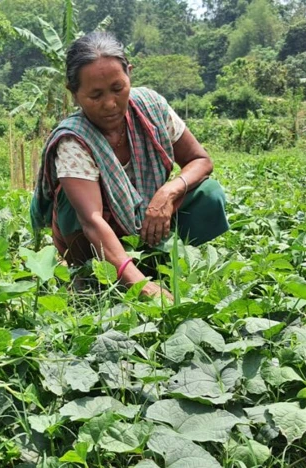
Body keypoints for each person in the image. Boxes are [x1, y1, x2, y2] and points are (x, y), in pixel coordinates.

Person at [30, 31, 228, 299]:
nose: (110, 104)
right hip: (98, 238)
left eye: (117, 88)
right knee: (71, 204)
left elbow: (200, 160)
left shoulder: (151, 107)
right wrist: (140, 285)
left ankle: (160, 260)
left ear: (129, 74)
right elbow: (91, 221)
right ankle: (92, 275)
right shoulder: (73, 139)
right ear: (74, 94)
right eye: (95, 95)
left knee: (209, 194)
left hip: (150, 221)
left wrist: (168, 193)